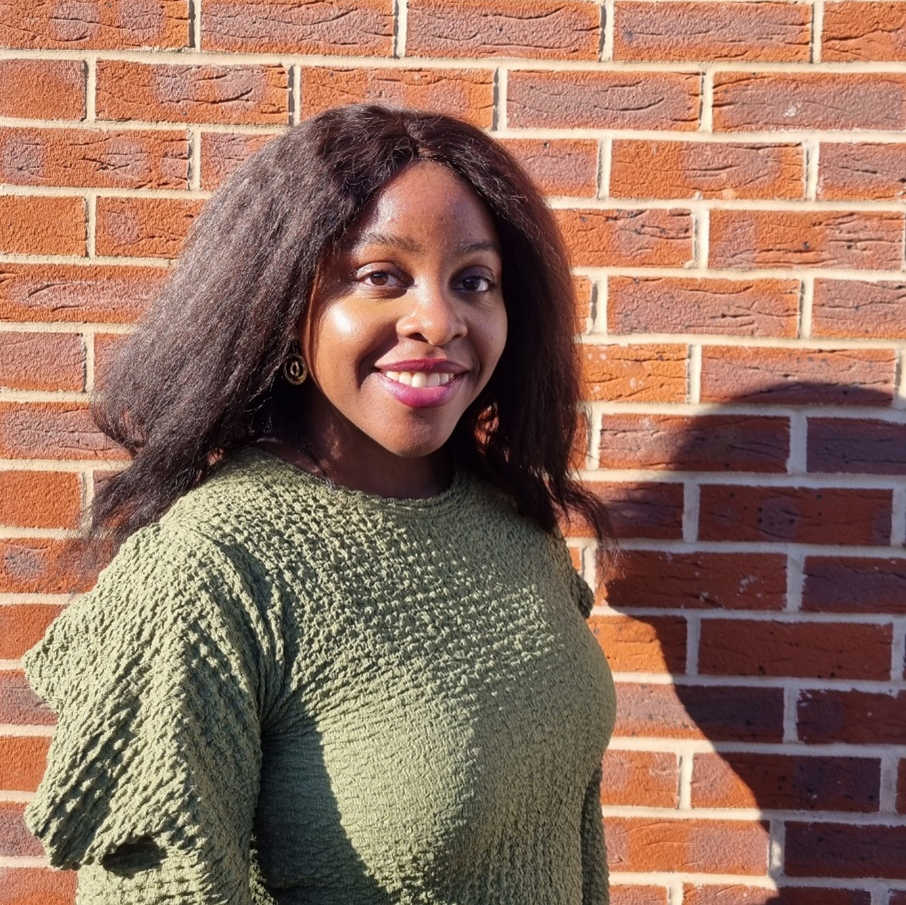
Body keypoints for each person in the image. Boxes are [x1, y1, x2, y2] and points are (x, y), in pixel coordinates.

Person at [24, 104, 617, 904]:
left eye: (473, 280)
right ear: (286, 302)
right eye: (382, 277)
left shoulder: (512, 524)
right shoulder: (213, 570)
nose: (439, 321)